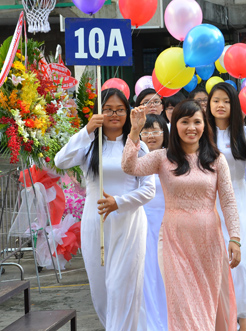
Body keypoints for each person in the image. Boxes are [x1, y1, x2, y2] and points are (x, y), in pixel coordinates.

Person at [122, 100, 241, 330]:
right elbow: (130, 167)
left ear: (204, 126)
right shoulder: (162, 158)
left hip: (209, 243)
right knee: (183, 306)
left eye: (196, 122)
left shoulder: (217, 159)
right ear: (174, 125)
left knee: (206, 304)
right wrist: (134, 132)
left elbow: (228, 201)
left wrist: (235, 238)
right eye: (184, 122)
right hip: (174, 242)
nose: (191, 127)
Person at [55, 88, 156, 330]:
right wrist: (87, 130)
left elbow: (148, 189)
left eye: (120, 110)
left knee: (123, 289)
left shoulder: (138, 147)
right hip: (95, 224)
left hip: (128, 224)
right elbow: (60, 161)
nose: (114, 114)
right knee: (101, 294)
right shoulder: (89, 146)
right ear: (99, 112)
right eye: (108, 109)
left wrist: (118, 202)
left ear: (128, 113)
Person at [207, 82, 246, 331]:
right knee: (214, 260)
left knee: (241, 263)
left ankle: (242, 316)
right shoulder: (200, 133)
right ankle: (218, 315)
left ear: (234, 105)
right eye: (216, 100)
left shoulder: (244, 133)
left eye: (226, 101)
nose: (220, 105)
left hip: (239, 201)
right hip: (208, 203)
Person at [140, 114, 169, 330]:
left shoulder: (173, 158)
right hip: (142, 224)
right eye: (146, 131)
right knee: (147, 273)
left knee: (167, 272)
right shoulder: (136, 158)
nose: (151, 136)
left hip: (168, 223)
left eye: (155, 131)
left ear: (164, 133)